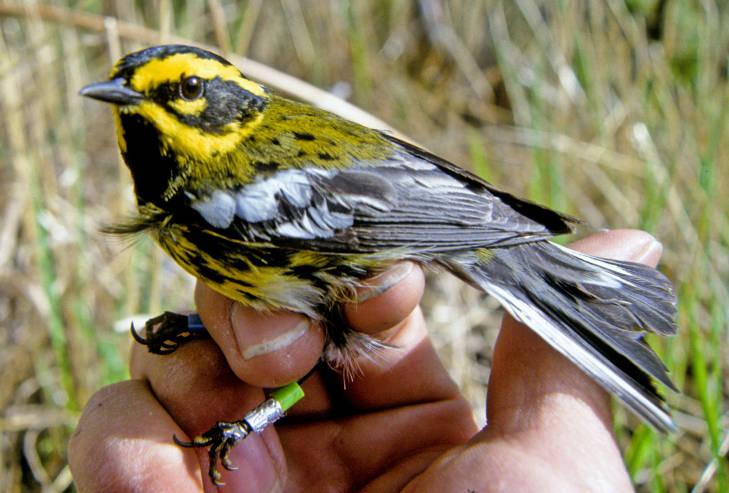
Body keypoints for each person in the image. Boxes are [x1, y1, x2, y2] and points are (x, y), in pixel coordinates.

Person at [68, 230, 661, 492]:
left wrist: (247, 424)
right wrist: (199, 330)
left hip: (313, 360)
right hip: (304, 366)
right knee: (267, 354)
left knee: (278, 358)